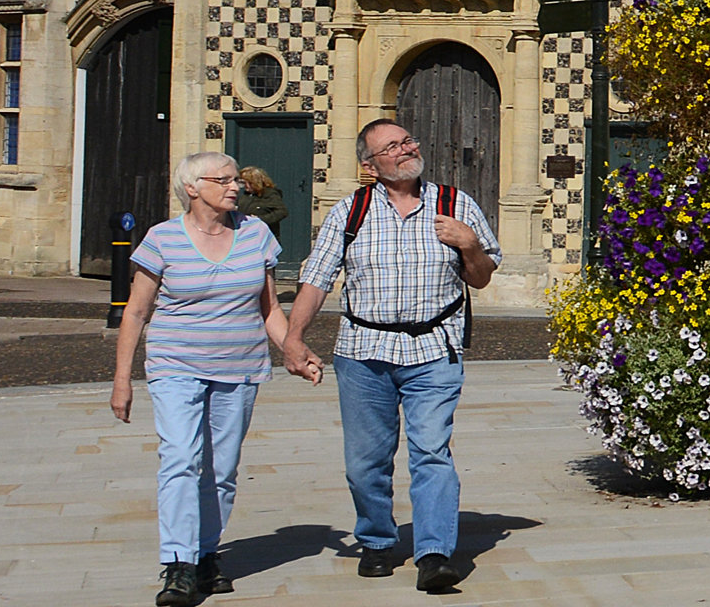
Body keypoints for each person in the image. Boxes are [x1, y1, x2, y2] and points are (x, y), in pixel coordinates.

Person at [282, 117, 499, 593]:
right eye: (392, 146)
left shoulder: (455, 205)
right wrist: (293, 338)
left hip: (433, 349)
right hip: (363, 353)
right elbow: (317, 279)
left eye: (408, 141)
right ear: (370, 163)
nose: (405, 150)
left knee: (431, 452)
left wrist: (470, 245)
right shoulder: (350, 212)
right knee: (365, 461)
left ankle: (435, 551)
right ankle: (378, 539)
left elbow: (481, 277)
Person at [113, 151, 320, 607]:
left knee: (221, 470)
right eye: (223, 180)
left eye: (235, 180)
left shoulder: (256, 235)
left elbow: (269, 309)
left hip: (240, 366)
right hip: (174, 365)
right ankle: (178, 564)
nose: (235, 186)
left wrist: (294, 350)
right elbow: (137, 312)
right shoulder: (161, 239)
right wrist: (122, 379)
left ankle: (207, 552)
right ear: (192, 187)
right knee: (182, 460)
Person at [237, 165, 289, 239]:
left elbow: (282, 212)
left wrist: (260, 219)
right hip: (246, 234)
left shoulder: (269, 194)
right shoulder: (244, 195)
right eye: (242, 183)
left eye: (249, 183)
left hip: (265, 236)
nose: (245, 186)